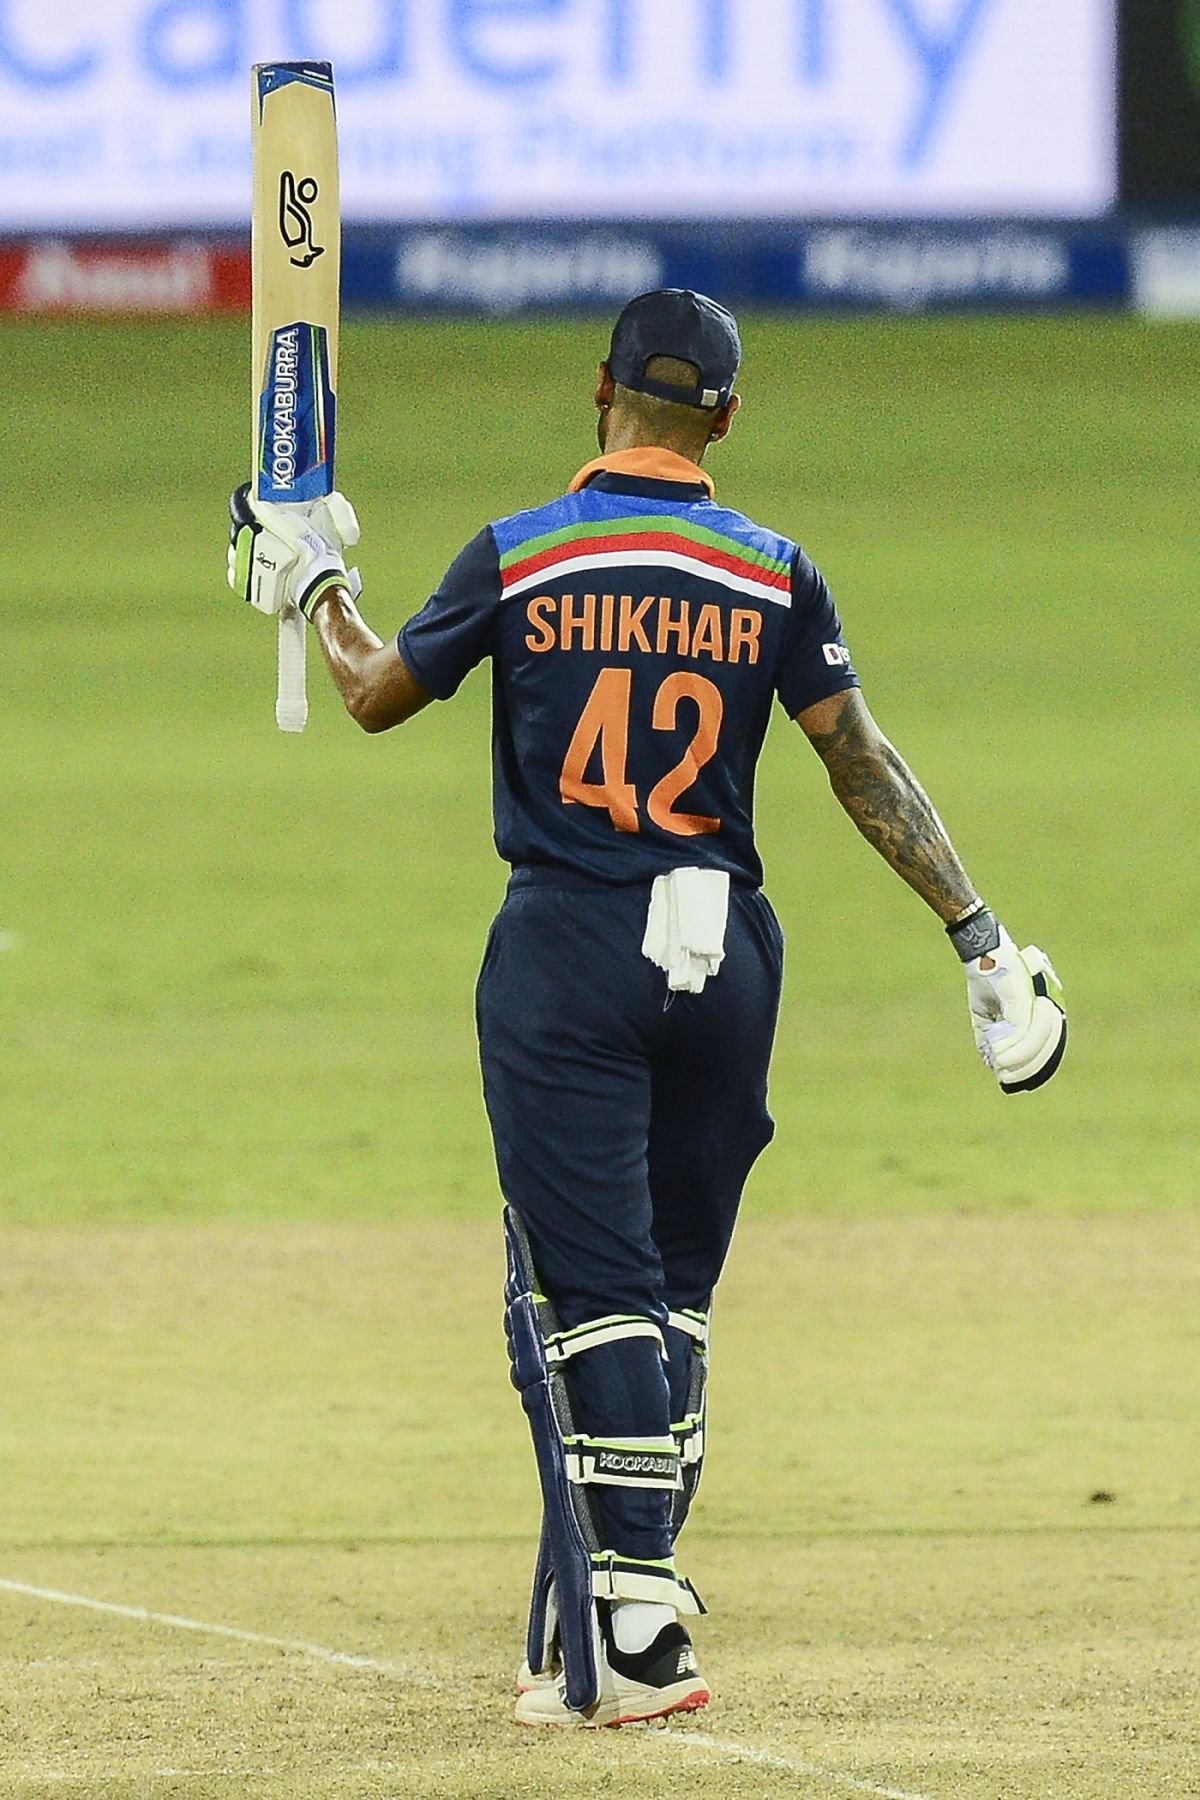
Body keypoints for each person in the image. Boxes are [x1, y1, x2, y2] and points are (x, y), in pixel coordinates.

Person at [227, 289, 1066, 1730]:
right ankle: (598, 1612)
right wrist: (980, 936)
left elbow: (370, 693)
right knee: (671, 1295)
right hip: (726, 958)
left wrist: (309, 582)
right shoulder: (773, 570)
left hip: (572, 947)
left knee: (582, 1293)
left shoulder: (526, 551)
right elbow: (860, 764)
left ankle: (636, 1618)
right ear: (727, 419)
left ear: (596, 387)